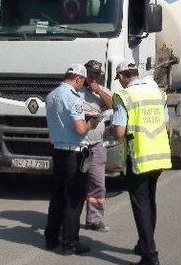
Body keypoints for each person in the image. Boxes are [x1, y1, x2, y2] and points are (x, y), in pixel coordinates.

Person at [111, 61, 172, 265]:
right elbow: (165, 122)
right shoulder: (157, 92)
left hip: (138, 157)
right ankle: (144, 245)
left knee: (141, 206)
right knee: (150, 203)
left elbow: (119, 131)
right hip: (159, 155)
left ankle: (150, 256)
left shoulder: (124, 96)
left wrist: (109, 128)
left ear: (121, 77)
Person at [44, 64, 100, 255]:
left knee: (57, 197)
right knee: (74, 201)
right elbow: (79, 130)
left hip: (58, 151)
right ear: (78, 79)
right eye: (82, 82)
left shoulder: (51, 95)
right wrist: (91, 123)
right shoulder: (73, 98)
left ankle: (51, 238)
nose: (81, 87)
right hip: (73, 153)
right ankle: (70, 244)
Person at [81, 60, 114, 232]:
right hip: (78, 146)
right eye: (90, 74)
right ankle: (68, 219)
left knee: (98, 184)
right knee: (74, 184)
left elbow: (113, 105)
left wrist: (99, 91)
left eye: (96, 75)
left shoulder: (101, 91)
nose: (93, 77)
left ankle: (94, 219)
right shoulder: (77, 91)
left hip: (96, 145)